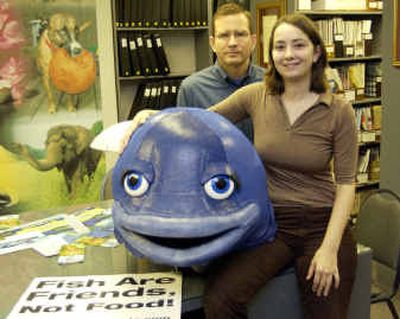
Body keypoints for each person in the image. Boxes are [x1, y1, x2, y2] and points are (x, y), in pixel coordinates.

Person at [120, 13, 358, 319]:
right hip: (272, 223)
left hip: (322, 222)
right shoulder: (255, 96)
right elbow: (197, 122)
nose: (288, 54)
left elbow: (347, 183)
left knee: (326, 306)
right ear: (270, 54)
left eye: (298, 45)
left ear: (316, 52)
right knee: (221, 298)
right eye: (280, 46)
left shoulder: (339, 111)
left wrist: (329, 248)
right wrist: (151, 116)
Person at [176, 3, 264, 141]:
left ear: (253, 41)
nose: (232, 43)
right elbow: (185, 143)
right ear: (212, 43)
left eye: (240, 34)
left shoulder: (270, 83)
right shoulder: (192, 89)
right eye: (224, 35)